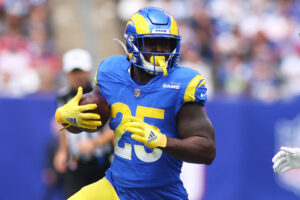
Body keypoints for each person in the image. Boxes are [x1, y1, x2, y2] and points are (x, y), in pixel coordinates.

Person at [55, 7, 216, 200]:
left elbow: (207, 150)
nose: (161, 50)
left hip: (160, 194)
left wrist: (161, 141)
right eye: (152, 43)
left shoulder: (181, 84)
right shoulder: (111, 72)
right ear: (133, 43)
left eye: (166, 44)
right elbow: (91, 124)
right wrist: (66, 118)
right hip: (116, 188)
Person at [53, 48, 114, 198]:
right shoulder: (63, 96)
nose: (77, 76)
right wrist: (62, 151)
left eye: (80, 71)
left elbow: (116, 127)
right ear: (67, 73)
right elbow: (63, 126)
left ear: (88, 71)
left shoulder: (102, 94)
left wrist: (95, 143)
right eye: (73, 72)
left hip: (102, 161)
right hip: (76, 163)